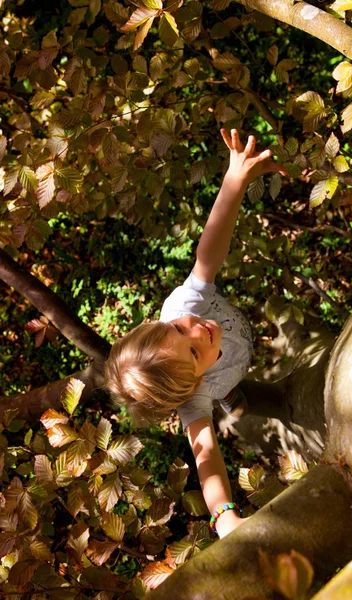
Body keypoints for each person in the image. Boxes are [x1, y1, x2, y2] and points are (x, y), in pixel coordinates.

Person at [105, 129, 285, 538]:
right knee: (227, 397)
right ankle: (228, 396)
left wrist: (234, 181)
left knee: (220, 363)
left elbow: (209, 252)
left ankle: (232, 391)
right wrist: (224, 517)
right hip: (225, 376)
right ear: (192, 381)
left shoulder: (184, 308)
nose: (197, 330)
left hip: (239, 339)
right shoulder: (192, 398)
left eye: (175, 329)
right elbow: (207, 458)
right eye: (191, 352)